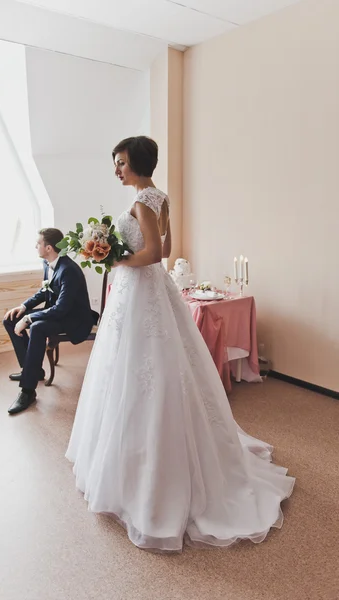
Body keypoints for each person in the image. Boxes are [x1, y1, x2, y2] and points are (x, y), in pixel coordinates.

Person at [65, 136, 295, 551]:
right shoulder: (161, 197)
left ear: (135, 162)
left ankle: (147, 476)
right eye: (115, 164)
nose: (116, 170)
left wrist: (113, 258)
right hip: (152, 291)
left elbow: (153, 253)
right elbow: (169, 249)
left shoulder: (140, 202)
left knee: (138, 368)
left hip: (140, 288)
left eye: (120, 163)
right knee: (156, 366)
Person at [3, 228, 94, 416]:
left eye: (38, 243)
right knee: (11, 320)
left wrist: (29, 318)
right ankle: (33, 371)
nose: (36, 246)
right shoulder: (48, 263)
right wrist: (23, 307)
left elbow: (61, 309)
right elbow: (45, 292)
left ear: (49, 247)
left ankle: (28, 392)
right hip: (58, 313)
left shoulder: (69, 270)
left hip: (73, 319)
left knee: (36, 327)